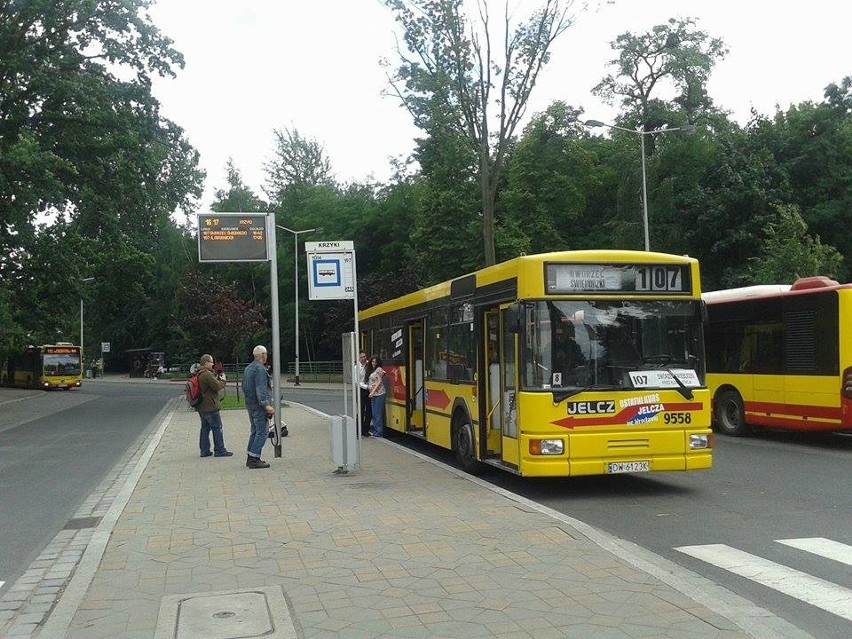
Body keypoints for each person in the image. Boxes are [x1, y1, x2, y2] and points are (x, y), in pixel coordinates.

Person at [242, 345, 274, 469]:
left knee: (254, 431)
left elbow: (245, 387)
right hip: (259, 405)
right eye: (266, 354)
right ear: (262, 355)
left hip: (250, 404)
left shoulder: (248, 368)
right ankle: (254, 459)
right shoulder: (260, 369)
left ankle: (250, 457)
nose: (267, 356)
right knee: (262, 432)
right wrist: (266, 405)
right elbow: (260, 388)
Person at [195, 354, 233, 458]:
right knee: (217, 427)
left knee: (205, 428)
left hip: (202, 405)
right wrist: (223, 380)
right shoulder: (206, 374)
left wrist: (216, 377)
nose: (213, 364)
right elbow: (216, 386)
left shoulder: (199, 373)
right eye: (211, 362)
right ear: (206, 363)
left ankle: (204, 450)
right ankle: (220, 450)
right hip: (210, 406)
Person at [367, 355, 386, 437]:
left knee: (377, 414)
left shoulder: (379, 370)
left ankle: (378, 432)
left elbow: (379, 381)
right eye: (372, 362)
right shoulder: (373, 370)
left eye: (375, 362)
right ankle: (375, 431)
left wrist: (372, 392)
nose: (373, 363)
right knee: (374, 413)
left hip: (379, 394)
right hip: (374, 395)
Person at [356, 350, 372, 437]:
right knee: (361, 410)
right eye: (361, 357)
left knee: (369, 410)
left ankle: (366, 430)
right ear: (358, 358)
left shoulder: (370, 365)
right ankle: (358, 431)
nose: (363, 358)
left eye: (364, 356)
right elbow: (357, 381)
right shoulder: (356, 368)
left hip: (370, 389)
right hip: (361, 389)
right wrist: (366, 387)